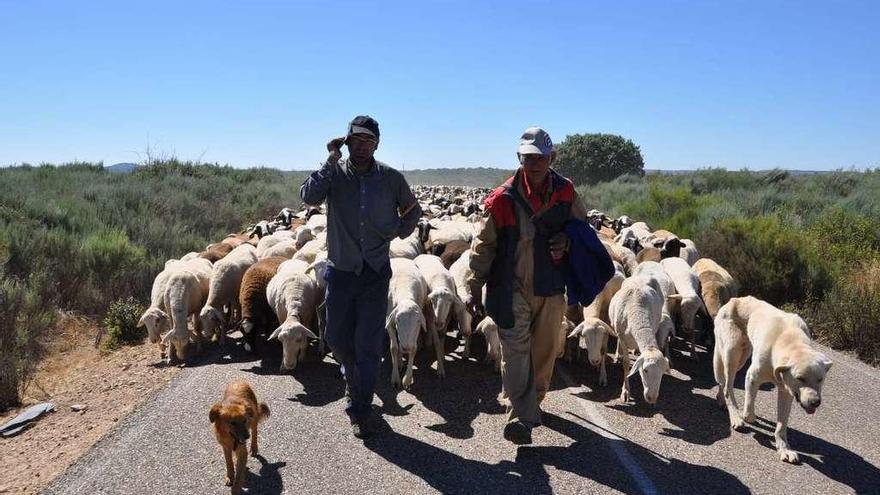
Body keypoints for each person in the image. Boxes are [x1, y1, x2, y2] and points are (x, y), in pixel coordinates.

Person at [300, 115, 421, 439]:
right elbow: (308, 197)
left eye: (368, 140)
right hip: (341, 271)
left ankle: (360, 407)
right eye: (356, 140)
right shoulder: (335, 175)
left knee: (368, 344)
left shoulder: (391, 179)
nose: (362, 145)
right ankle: (352, 379)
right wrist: (330, 159)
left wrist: (396, 232)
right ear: (347, 141)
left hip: (375, 273)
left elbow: (413, 210)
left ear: (377, 143)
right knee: (337, 339)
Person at [467, 126, 586, 445]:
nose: (533, 163)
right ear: (519, 157)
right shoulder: (503, 197)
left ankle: (533, 401)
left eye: (539, 157)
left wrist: (567, 240)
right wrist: (474, 281)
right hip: (510, 286)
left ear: (552, 157)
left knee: (544, 351)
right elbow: (485, 244)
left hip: (550, 286)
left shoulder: (566, 192)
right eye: (527, 157)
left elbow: (582, 228)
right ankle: (522, 416)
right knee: (515, 351)